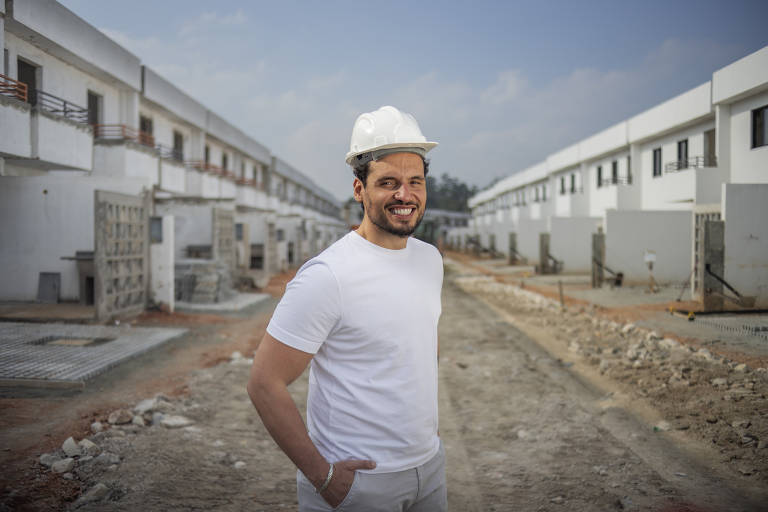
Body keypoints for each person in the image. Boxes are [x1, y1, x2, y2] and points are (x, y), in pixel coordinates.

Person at [247, 105, 446, 511]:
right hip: (359, 485)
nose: (404, 195)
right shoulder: (327, 276)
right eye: (387, 182)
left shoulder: (430, 260)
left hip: (429, 470)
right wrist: (326, 478)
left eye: (415, 182)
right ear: (359, 190)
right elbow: (264, 383)